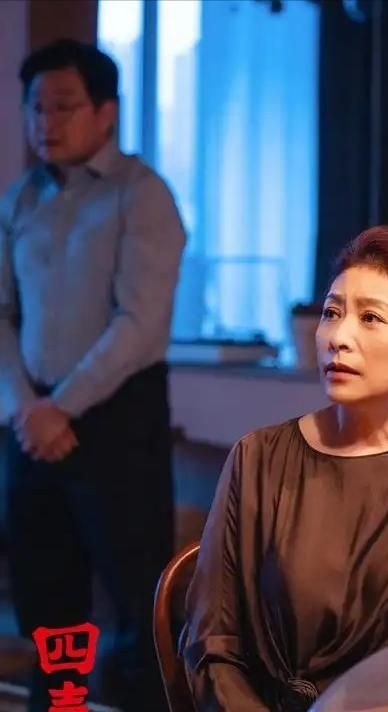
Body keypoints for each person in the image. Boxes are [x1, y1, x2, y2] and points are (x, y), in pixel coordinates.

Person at [180, 226, 388, 712]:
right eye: (332, 313)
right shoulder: (260, 459)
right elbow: (213, 645)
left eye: (371, 318)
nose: (339, 338)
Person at [0, 39, 186, 712]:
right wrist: (26, 405)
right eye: (35, 107)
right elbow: (3, 313)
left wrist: (63, 407)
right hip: (30, 422)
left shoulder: (142, 194)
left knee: (140, 604)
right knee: (46, 601)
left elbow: (139, 323)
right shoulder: (20, 198)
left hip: (116, 418)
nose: (45, 122)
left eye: (63, 106)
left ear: (106, 112)